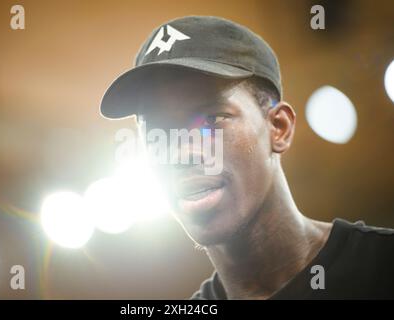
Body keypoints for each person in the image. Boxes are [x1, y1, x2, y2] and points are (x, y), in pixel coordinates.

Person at [99, 16, 394, 299]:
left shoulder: (381, 269)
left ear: (278, 127)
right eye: (157, 130)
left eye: (212, 119)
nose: (182, 151)